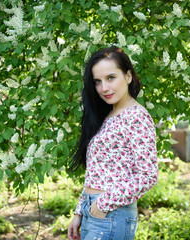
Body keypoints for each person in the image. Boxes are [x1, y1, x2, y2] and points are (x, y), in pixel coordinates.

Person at [67, 46, 158, 240]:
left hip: (111, 214)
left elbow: (148, 175)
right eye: (97, 82)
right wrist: (79, 212)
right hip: (94, 211)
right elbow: (96, 171)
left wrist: (102, 204)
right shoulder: (108, 116)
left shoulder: (136, 116)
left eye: (110, 78)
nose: (104, 88)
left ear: (128, 76)